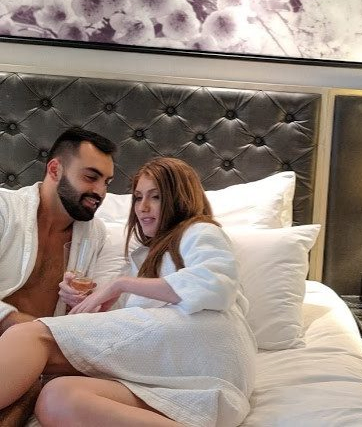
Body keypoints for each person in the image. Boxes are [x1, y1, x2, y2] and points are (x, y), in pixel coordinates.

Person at [0, 157, 257, 427]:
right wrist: (93, 305)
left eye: (156, 197)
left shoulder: (199, 230)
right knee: (58, 398)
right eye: (138, 197)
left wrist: (120, 284)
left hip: (206, 347)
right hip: (194, 379)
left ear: (180, 198)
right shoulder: (143, 257)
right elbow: (128, 331)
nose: (143, 208)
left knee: (32, 335)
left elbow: (216, 285)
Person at [0, 127, 125, 426]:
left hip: (40, 359)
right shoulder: (5, 211)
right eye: (91, 177)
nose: (100, 193)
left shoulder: (95, 235)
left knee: (37, 387)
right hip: (33, 345)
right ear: (55, 169)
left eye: (107, 183)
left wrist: (82, 303)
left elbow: (90, 322)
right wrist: (28, 331)